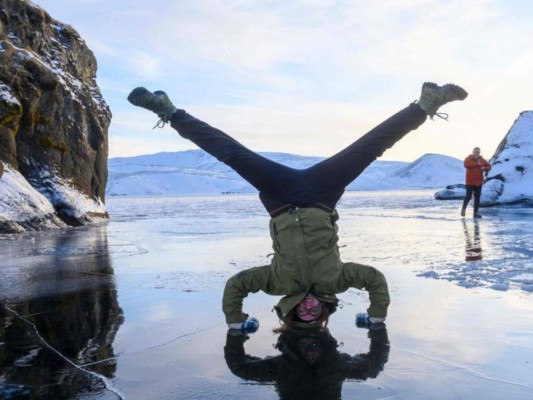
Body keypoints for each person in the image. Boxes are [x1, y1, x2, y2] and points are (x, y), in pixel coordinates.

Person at [127, 82, 468, 332]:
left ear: (288, 310)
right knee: (368, 148)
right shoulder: (338, 281)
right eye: (313, 314)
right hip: (322, 195)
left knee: (231, 153)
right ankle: (424, 105)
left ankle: (168, 111)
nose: (307, 308)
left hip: (281, 198)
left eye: (300, 313)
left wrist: (236, 321)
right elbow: (375, 280)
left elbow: (236, 286)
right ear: (323, 312)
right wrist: (376, 316)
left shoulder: (276, 283)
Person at [224, 326, 390, 400]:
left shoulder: (336, 363)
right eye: (303, 346)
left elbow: (373, 365)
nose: (309, 351)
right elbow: (240, 366)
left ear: (324, 347)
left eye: (314, 346)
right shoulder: (281, 366)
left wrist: (377, 330)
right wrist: (236, 333)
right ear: (294, 348)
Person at [461, 147, 491, 218]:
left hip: (478, 182)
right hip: (470, 182)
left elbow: (489, 166)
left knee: (477, 198)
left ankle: (475, 213)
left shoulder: (482, 160)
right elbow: (466, 164)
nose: (476, 153)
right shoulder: (468, 158)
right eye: (475, 152)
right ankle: (463, 209)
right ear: (473, 152)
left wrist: (484, 168)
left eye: (478, 152)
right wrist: (478, 164)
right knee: (468, 196)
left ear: (479, 153)